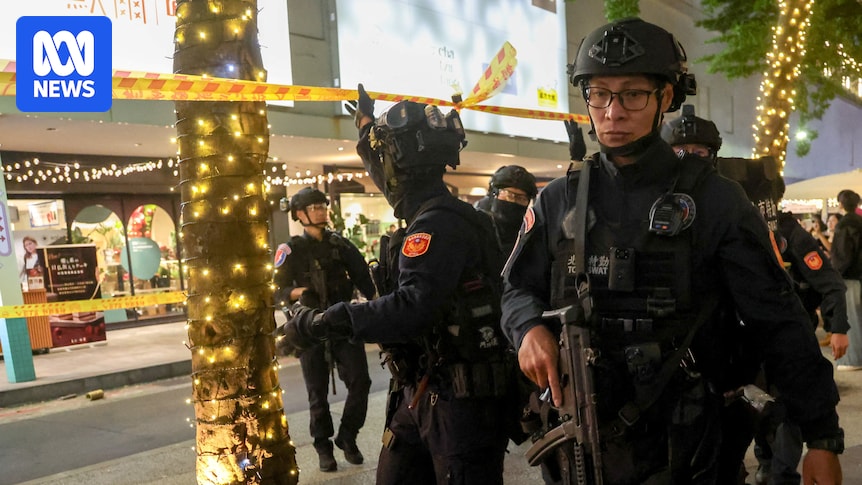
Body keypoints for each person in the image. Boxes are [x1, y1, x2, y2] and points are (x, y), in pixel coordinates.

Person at [500, 17, 843, 484]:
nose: (612, 111)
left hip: (690, 450)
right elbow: (516, 288)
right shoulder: (558, 198)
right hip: (582, 448)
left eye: (632, 94)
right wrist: (527, 329)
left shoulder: (715, 200)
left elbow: (779, 321)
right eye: (598, 93)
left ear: (666, 97)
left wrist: (821, 437)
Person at [283, 86, 516, 484]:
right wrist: (366, 130)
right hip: (424, 394)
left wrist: (322, 321)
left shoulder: (437, 225)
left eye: (384, 159)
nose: (379, 174)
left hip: (459, 406)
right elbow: (391, 172)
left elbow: (411, 308)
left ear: (401, 168)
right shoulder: (434, 215)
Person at [272, 187, 376, 472]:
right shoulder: (289, 249)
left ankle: (348, 436)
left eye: (322, 205)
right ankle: (323, 446)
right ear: (300, 214)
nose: (321, 210)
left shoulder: (341, 246)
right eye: (314, 206)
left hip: (342, 323)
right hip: (308, 327)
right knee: (316, 393)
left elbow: (367, 282)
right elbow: (276, 291)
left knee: (360, 382)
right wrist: (299, 292)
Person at [830, 189, 862, 371]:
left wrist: (835, 274)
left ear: (841, 204)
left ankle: (853, 359)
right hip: (860, 276)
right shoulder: (860, 221)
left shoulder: (844, 225)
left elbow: (842, 256)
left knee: (851, 318)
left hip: (849, 277)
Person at [475, 165, 538, 256]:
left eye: (521, 198)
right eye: (508, 195)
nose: (512, 201)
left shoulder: (531, 236)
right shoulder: (476, 227)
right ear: (494, 194)